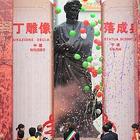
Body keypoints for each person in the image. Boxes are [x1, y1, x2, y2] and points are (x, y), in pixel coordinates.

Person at [54, 0, 101, 137]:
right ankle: (65, 124)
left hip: (80, 66)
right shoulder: (59, 29)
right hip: (64, 67)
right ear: (66, 11)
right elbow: (55, 48)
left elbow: (87, 44)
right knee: (65, 94)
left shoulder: (86, 28)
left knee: (83, 92)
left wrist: (68, 45)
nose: (74, 13)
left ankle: (83, 123)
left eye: (76, 10)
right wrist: (65, 47)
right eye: (72, 10)